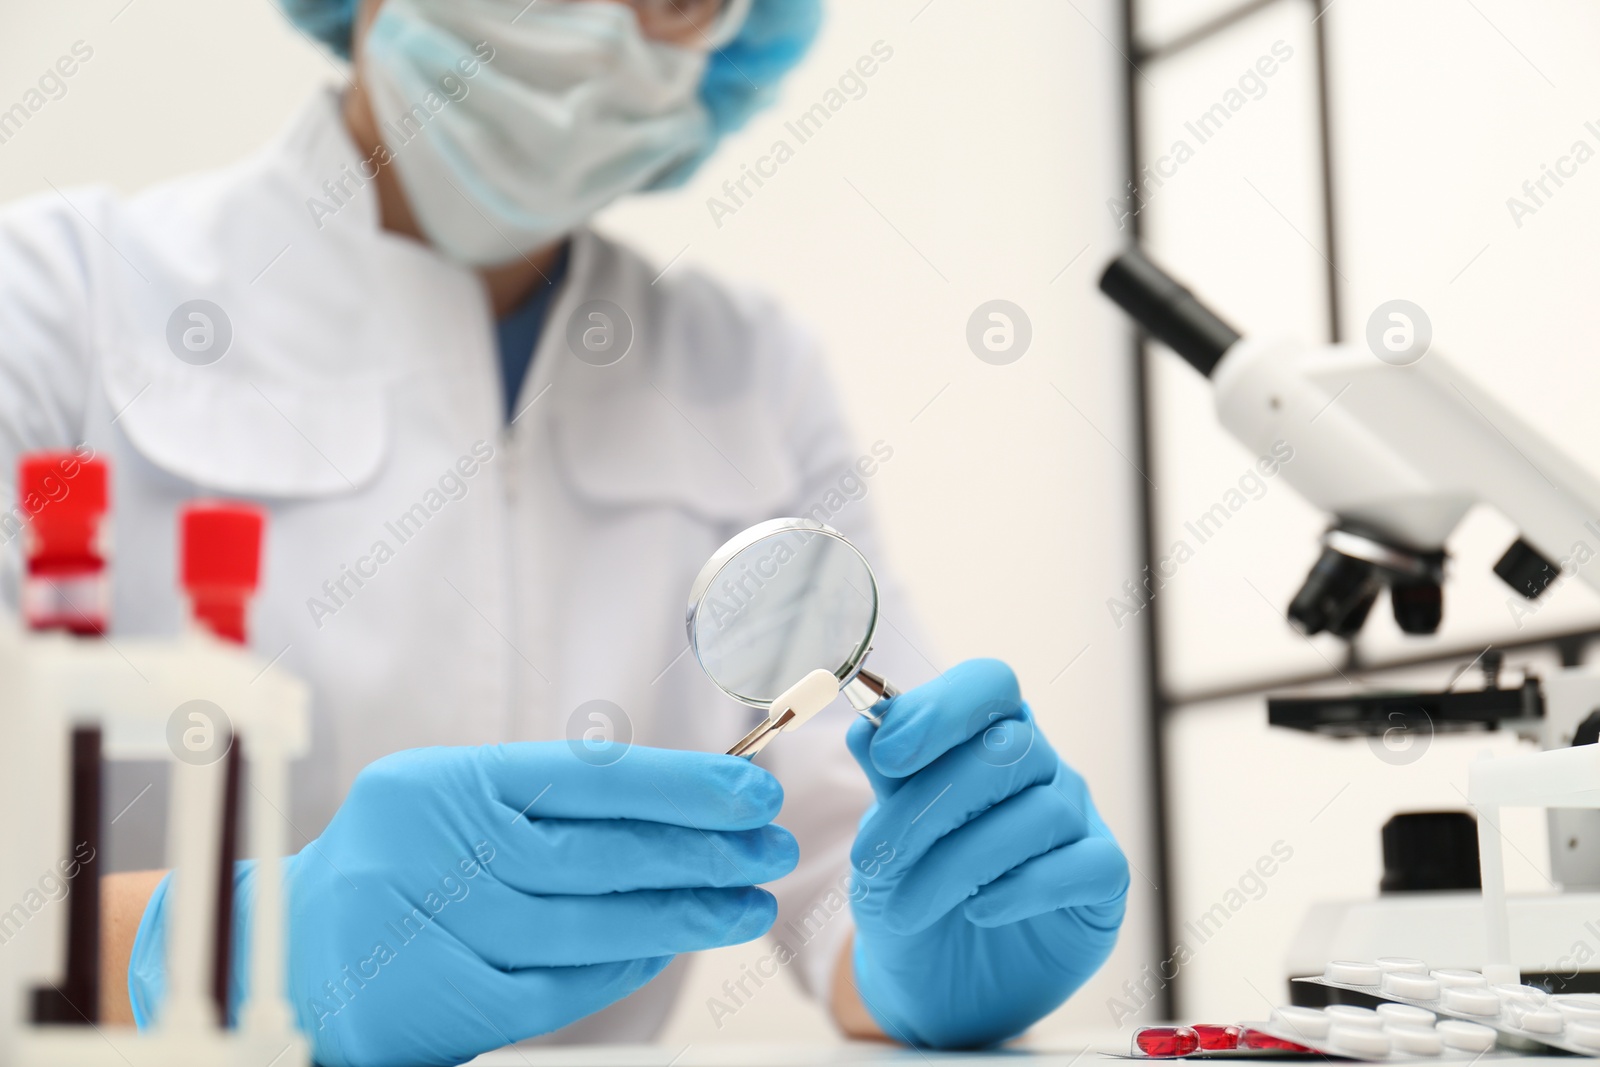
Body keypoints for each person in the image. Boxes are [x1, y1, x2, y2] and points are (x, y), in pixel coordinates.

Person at [0, 1, 1130, 1063]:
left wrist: (932, 942)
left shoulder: (743, 371)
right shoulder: (58, 304)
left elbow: (843, 847)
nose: (606, 23)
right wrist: (221, 951)